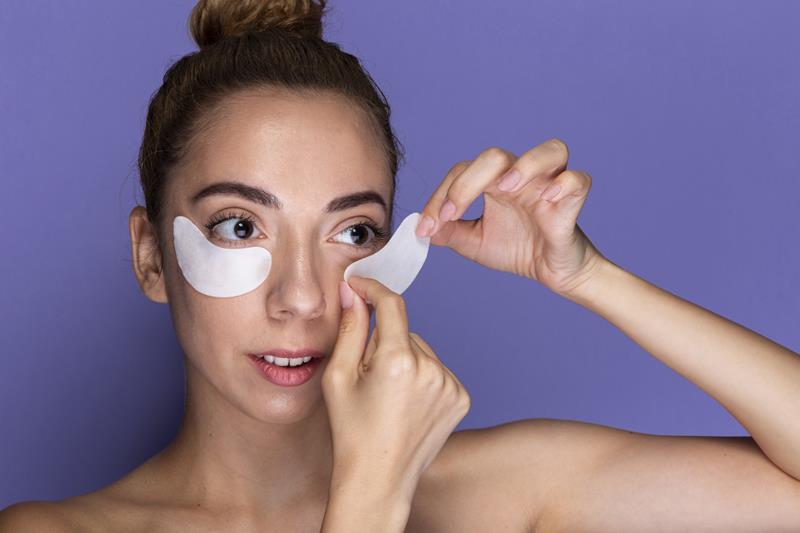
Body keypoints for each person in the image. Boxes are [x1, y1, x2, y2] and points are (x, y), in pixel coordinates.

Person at [3, 0, 800, 531]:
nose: (303, 296)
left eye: (351, 232)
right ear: (150, 255)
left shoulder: (498, 492)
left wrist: (587, 275)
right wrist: (371, 498)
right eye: (241, 225)